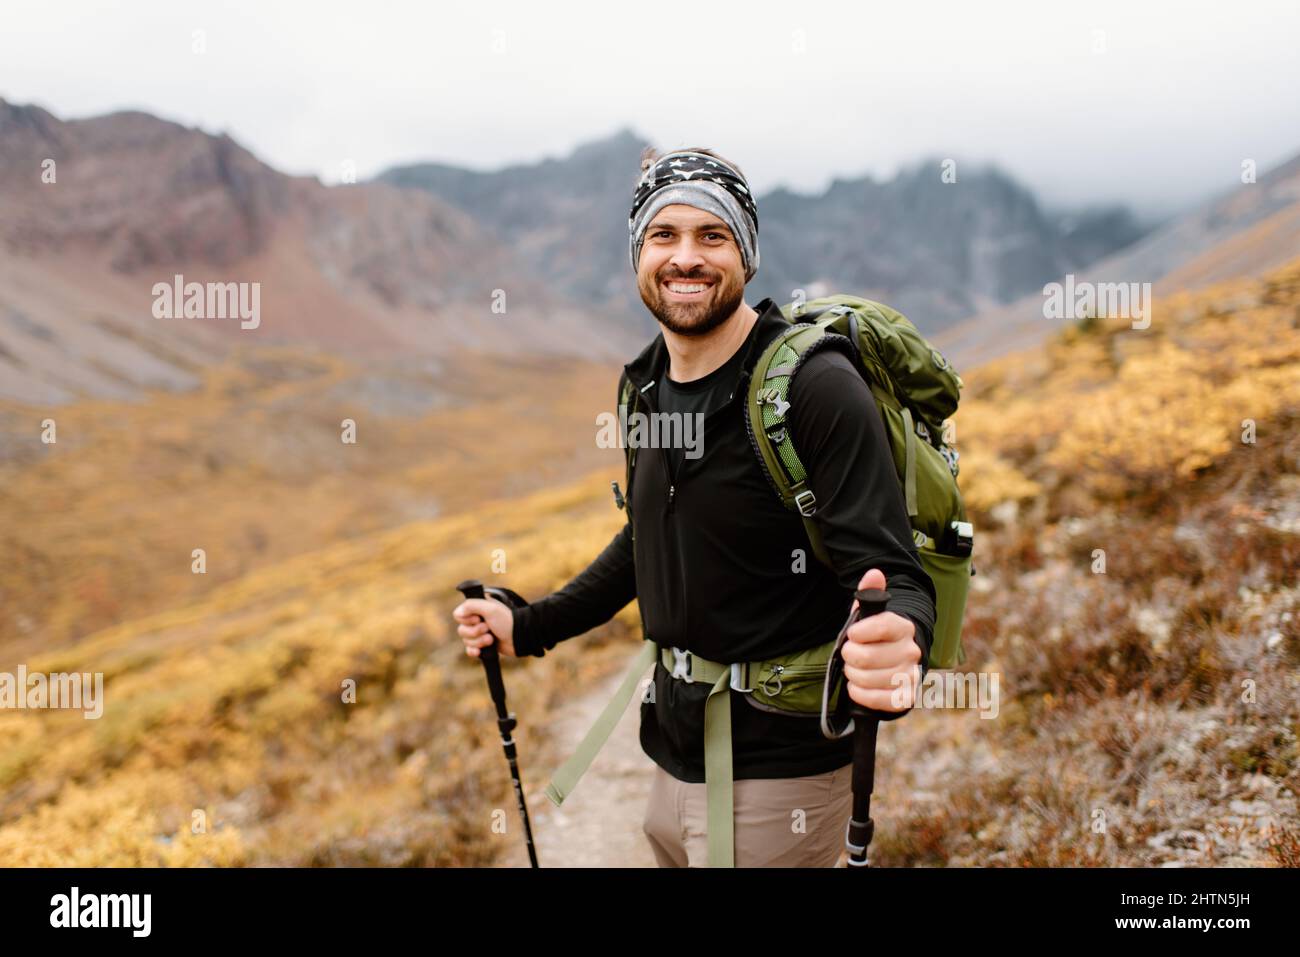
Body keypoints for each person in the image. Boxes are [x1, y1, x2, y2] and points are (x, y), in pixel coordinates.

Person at [454, 146, 936, 867]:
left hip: (781, 776)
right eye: (663, 235)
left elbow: (893, 572)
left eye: (712, 235)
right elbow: (648, 540)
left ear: (747, 254)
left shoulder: (813, 385)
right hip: (671, 752)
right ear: (637, 254)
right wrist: (530, 625)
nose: (686, 257)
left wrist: (902, 638)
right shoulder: (647, 386)